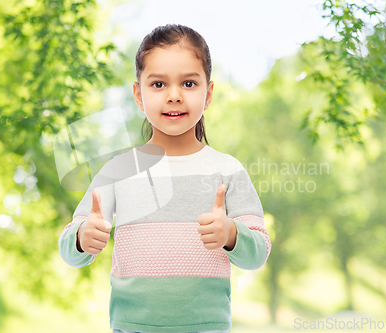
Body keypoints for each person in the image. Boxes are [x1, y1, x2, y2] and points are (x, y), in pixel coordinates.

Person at [58, 24, 272, 333]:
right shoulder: (119, 170)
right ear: (138, 94)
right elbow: (69, 245)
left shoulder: (228, 169)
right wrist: (81, 239)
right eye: (158, 84)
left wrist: (231, 234)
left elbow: (258, 253)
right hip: (131, 327)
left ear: (208, 93)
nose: (173, 96)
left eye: (188, 83)